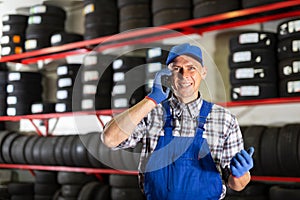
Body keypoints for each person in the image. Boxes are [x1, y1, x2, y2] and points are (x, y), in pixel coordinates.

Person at [102, 43, 254, 200]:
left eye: (191, 68)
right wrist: (151, 100)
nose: (184, 74)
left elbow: (238, 185)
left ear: (203, 72)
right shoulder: (151, 113)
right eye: (176, 69)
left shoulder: (224, 120)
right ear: (167, 75)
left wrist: (239, 174)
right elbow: (109, 139)